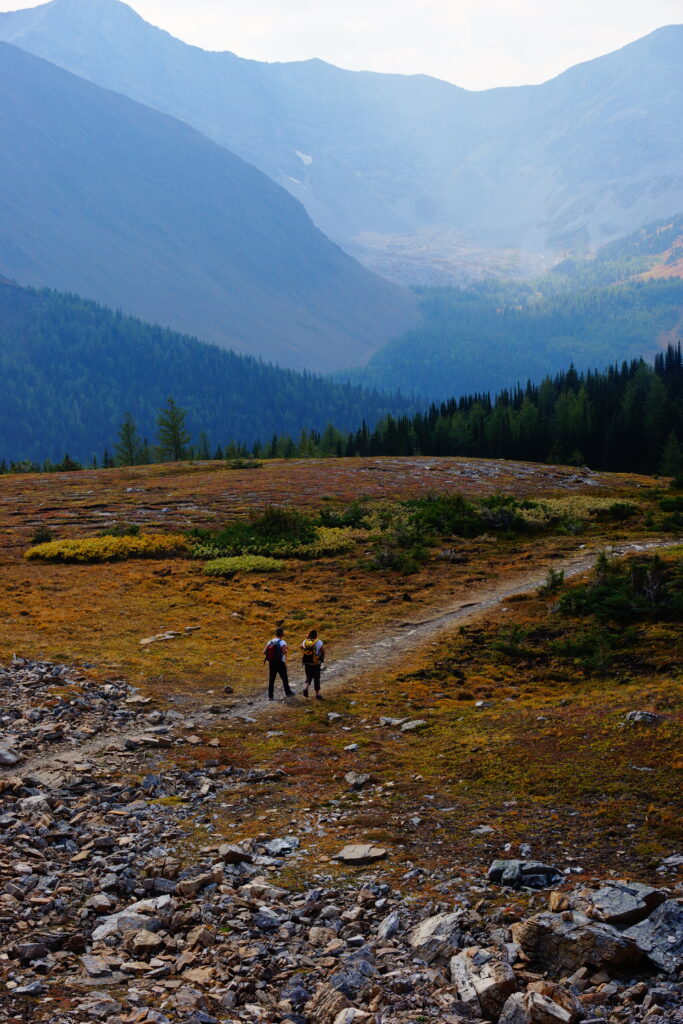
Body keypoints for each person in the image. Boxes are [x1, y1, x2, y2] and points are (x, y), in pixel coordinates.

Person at [264, 627, 293, 701]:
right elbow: (284, 652)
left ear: (276, 634)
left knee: (271, 679)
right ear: (282, 634)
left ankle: (270, 696)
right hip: (280, 663)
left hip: (271, 663)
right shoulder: (282, 642)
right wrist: (286, 649)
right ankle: (288, 692)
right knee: (284, 678)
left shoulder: (270, 641)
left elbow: (264, 652)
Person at [301, 629, 325, 700]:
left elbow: (301, 647)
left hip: (307, 663)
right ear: (316, 635)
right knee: (316, 678)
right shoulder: (318, 642)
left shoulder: (305, 641)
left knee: (308, 677)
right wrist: (322, 659)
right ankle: (317, 694)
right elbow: (323, 651)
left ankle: (305, 688)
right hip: (316, 663)